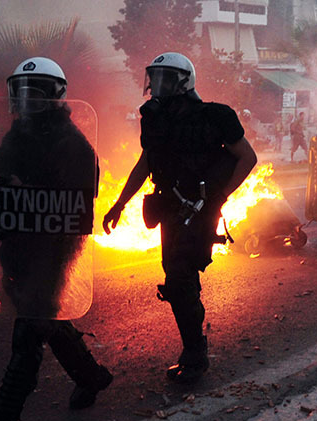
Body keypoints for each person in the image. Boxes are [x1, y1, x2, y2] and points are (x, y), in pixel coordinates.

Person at [0, 57, 112, 421]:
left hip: (53, 248)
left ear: (55, 96)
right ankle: (90, 375)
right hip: (17, 243)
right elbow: (1, 178)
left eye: (36, 91)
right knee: (45, 318)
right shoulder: (16, 136)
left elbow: (79, 204)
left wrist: (32, 192)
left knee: (29, 331)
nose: (27, 99)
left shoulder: (72, 142)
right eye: (22, 91)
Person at [103, 52, 257, 384]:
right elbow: (146, 163)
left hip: (199, 210)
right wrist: (119, 204)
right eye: (154, 77)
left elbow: (247, 157)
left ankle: (195, 355)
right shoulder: (155, 119)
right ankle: (194, 346)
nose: (157, 85)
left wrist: (220, 196)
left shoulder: (215, 116)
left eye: (166, 78)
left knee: (179, 278)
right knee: (178, 278)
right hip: (169, 209)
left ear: (184, 81)